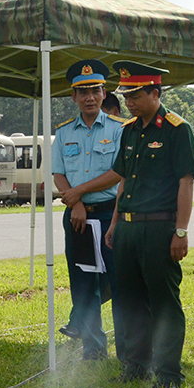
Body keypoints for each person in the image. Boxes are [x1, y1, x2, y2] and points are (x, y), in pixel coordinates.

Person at [104, 61, 194, 388]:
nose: (129, 102)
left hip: (160, 229)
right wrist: (115, 222)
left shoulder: (177, 129)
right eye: (126, 96)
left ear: (155, 93)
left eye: (135, 95)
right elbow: (124, 180)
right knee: (130, 300)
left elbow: (186, 183)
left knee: (164, 303)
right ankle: (137, 365)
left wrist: (181, 231)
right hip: (128, 228)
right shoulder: (128, 130)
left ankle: (169, 374)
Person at [52, 59, 126, 362]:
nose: (89, 97)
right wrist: (77, 204)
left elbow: (119, 173)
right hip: (78, 217)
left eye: (94, 90)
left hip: (112, 214)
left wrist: (79, 192)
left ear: (103, 92)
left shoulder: (121, 129)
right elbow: (58, 173)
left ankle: (128, 351)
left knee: (121, 282)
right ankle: (94, 349)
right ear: (73, 97)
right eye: (82, 92)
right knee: (83, 283)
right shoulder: (64, 132)